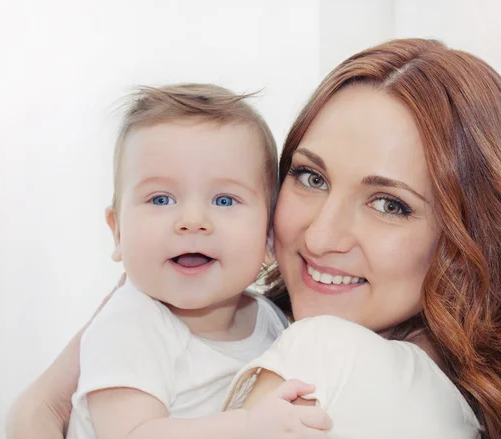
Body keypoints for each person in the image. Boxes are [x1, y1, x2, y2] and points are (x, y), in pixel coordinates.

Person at [6, 39, 501, 439]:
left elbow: (42, 410)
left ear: (466, 245)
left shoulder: (327, 350)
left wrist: (39, 406)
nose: (321, 236)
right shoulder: (257, 319)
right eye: (311, 177)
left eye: (389, 204)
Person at [64, 83, 332, 439]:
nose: (192, 220)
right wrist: (249, 428)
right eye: (160, 199)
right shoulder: (130, 325)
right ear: (117, 232)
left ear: (269, 237)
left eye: (224, 200)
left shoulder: (270, 321)